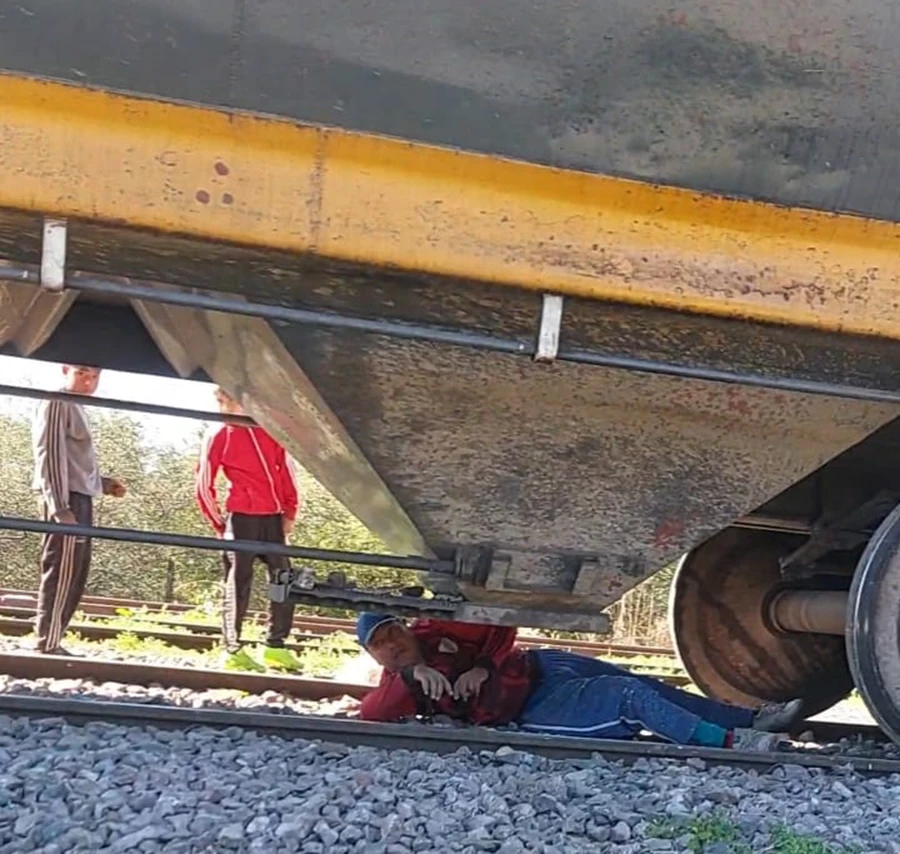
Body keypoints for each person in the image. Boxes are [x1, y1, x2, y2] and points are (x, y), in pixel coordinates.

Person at [354, 613, 805, 750]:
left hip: (544, 665)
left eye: (393, 631)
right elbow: (370, 714)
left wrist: (483, 667)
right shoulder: (402, 683)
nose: (392, 644)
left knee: (641, 682)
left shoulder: (436, 627)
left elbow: (502, 625)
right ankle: (730, 741)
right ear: (375, 657)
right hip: (534, 707)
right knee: (629, 698)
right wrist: (412, 673)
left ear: (406, 626)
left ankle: (752, 719)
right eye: (380, 645)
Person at [195, 386, 304, 673]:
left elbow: (286, 469)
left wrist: (290, 511)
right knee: (238, 581)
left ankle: (275, 646)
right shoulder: (218, 434)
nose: (222, 408)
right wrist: (218, 521)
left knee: (284, 579)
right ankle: (232, 648)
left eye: (226, 401)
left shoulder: (269, 429)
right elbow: (204, 480)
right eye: (219, 402)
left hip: (273, 517)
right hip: (240, 517)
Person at [30, 364, 127, 655]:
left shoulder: (76, 406)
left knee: (75, 570)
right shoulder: (58, 402)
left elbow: (71, 459)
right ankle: (46, 643)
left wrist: (103, 483)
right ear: (65, 370)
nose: (88, 382)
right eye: (82, 374)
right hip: (65, 499)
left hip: (79, 496)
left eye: (95, 376)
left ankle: (53, 639)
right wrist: (59, 506)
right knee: (62, 568)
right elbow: (50, 454)